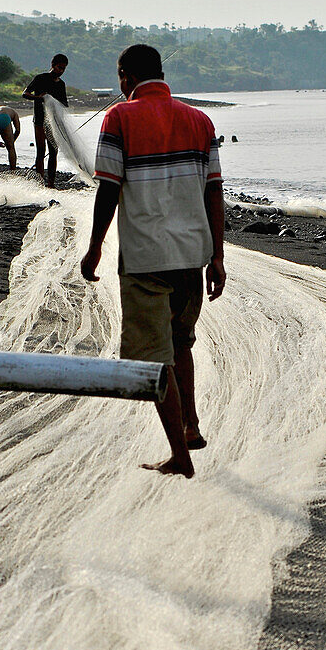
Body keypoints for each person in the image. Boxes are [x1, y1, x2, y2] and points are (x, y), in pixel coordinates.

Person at [81, 44, 226, 479]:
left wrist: (95, 247)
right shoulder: (200, 120)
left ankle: (180, 455)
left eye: (120, 79)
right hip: (192, 257)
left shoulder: (119, 119)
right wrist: (217, 257)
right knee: (181, 343)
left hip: (146, 258)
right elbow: (214, 192)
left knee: (152, 360)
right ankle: (192, 424)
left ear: (125, 77)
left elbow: (108, 189)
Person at [22, 53, 69, 187]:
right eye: (59, 68)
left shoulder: (61, 84)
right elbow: (25, 94)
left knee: (53, 151)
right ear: (52, 65)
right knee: (41, 152)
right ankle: (40, 182)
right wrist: (40, 98)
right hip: (40, 120)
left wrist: (56, 103)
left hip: (54, 122)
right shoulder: (40, 78)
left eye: (64, 69)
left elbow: (65, 103)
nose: (61, 71)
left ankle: (51, 183)